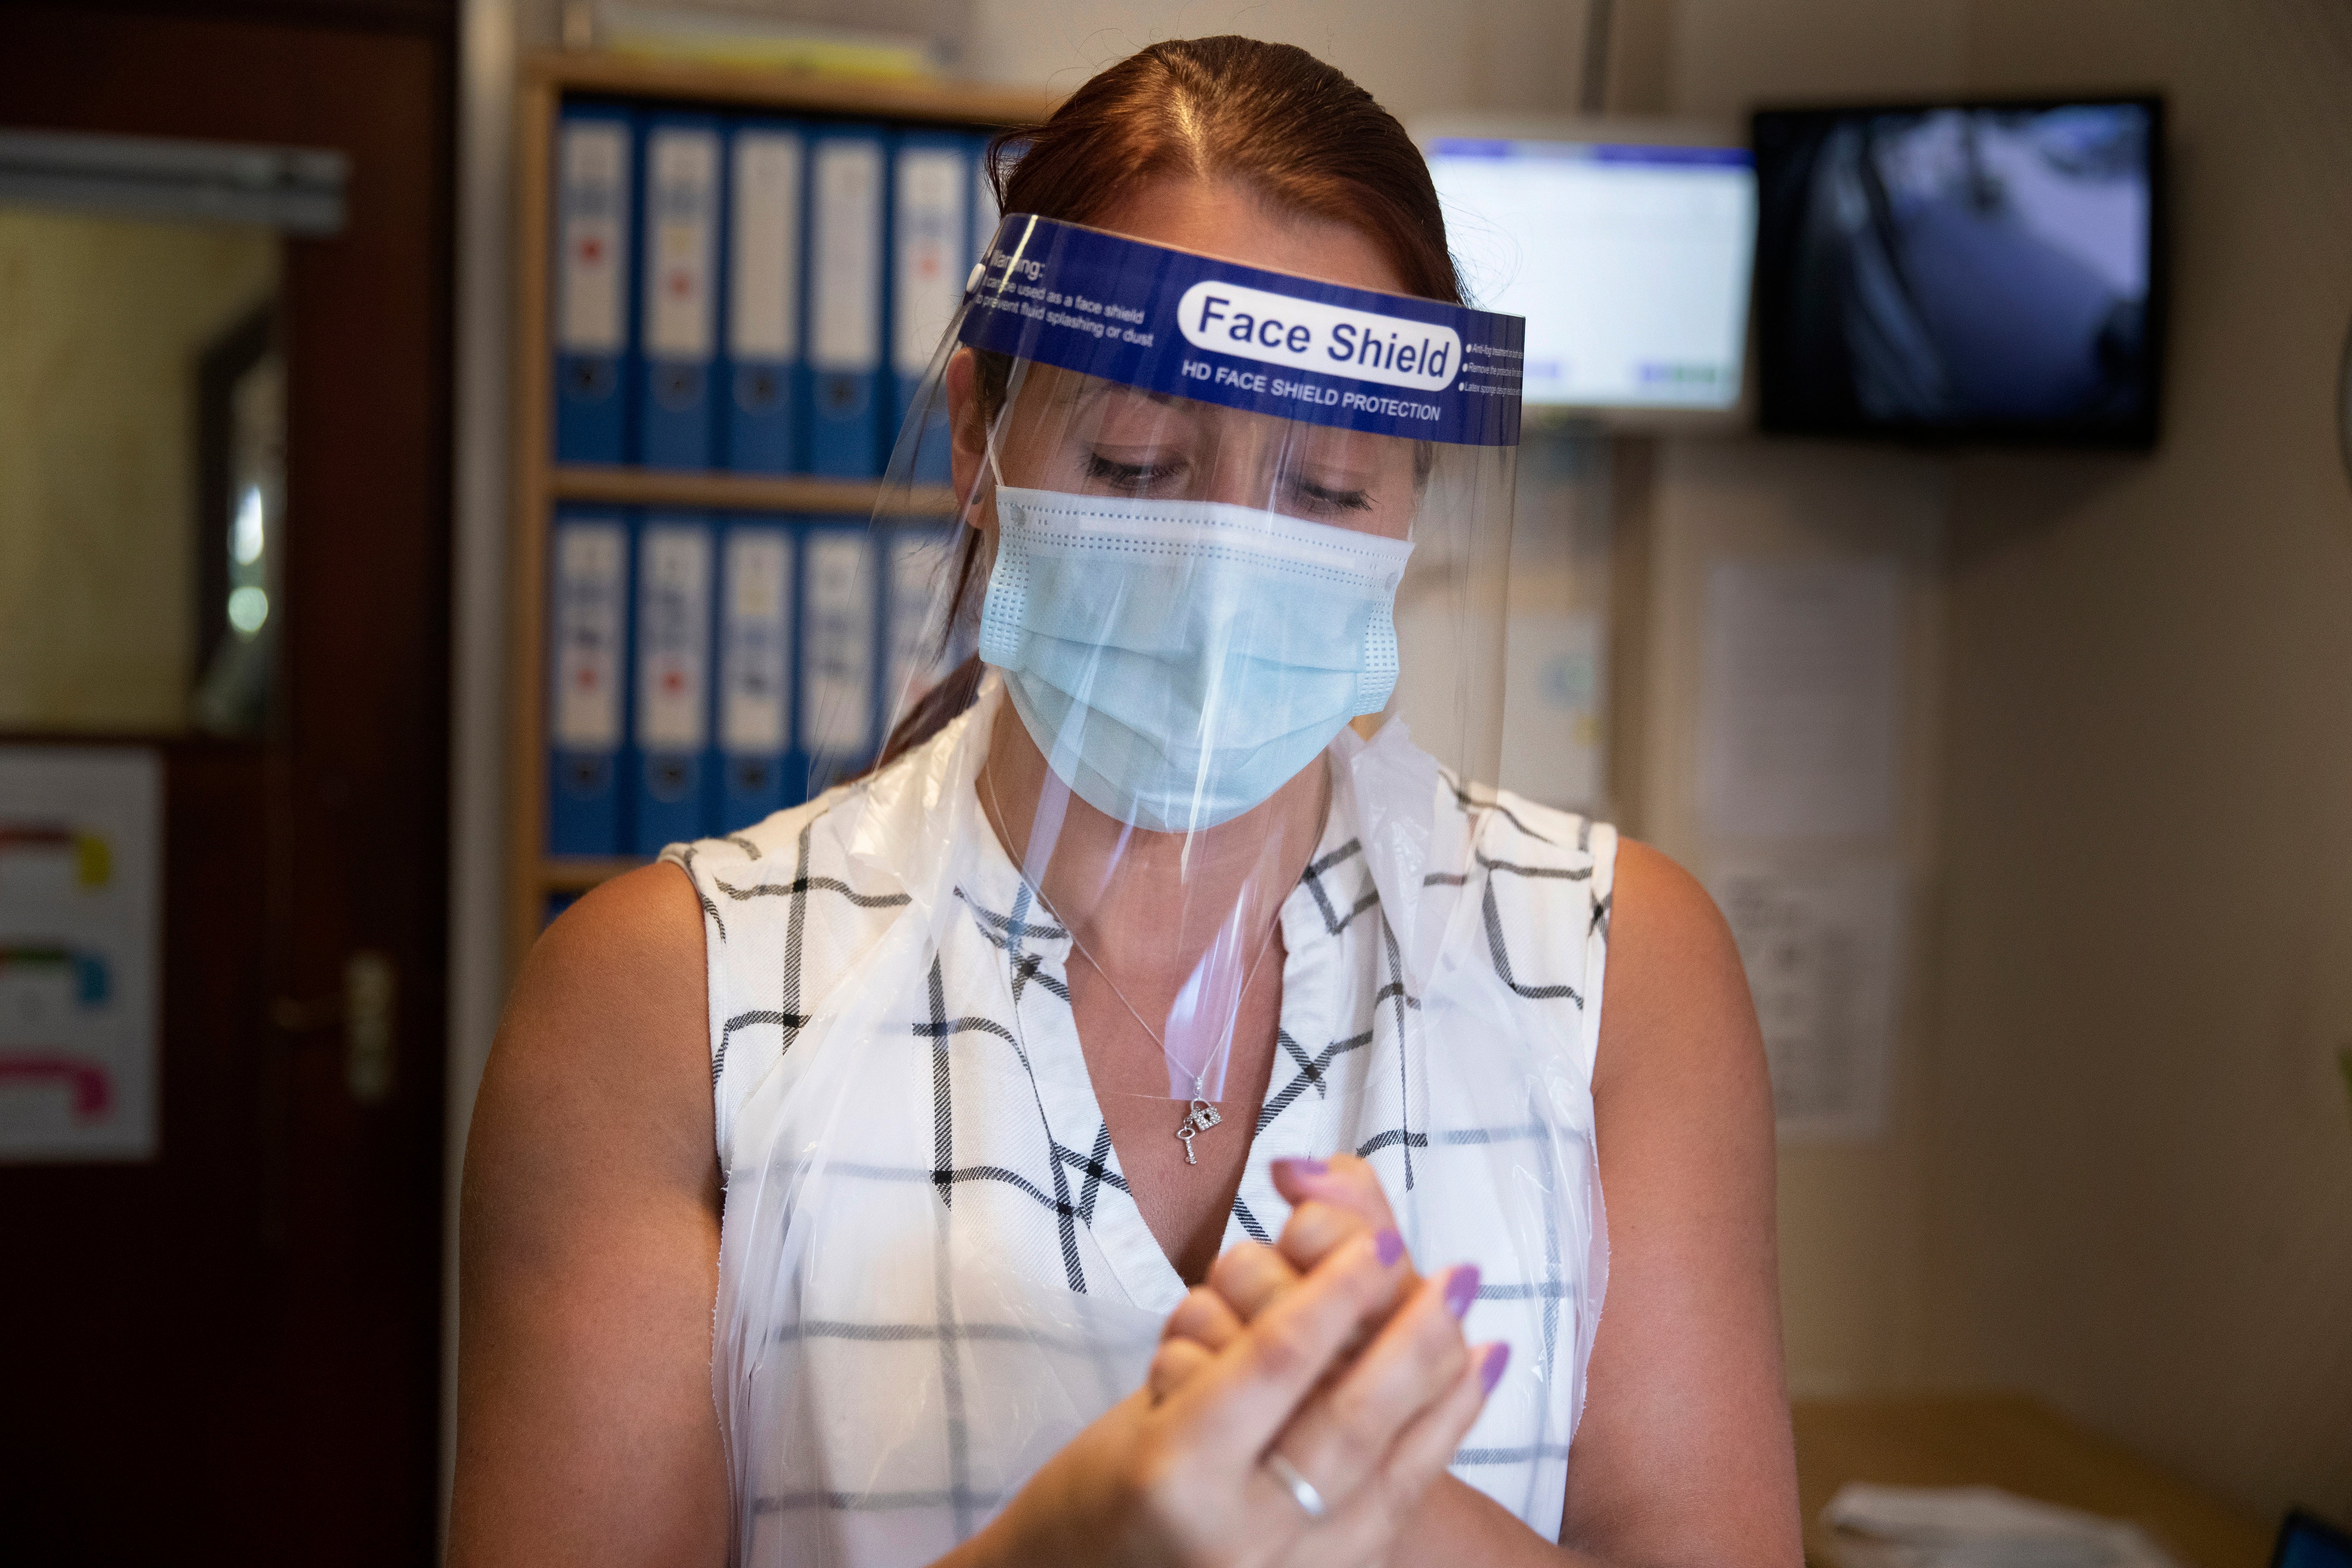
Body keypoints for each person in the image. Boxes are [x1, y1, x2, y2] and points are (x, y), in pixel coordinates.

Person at [451, 35, 1800, 1568]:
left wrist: (1358, 1492)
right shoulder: (670, 1001)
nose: (1230, 565)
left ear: (1412, 502)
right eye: (1142, 463)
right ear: (981, 430)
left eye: (1329, 493)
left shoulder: (1614, 975)